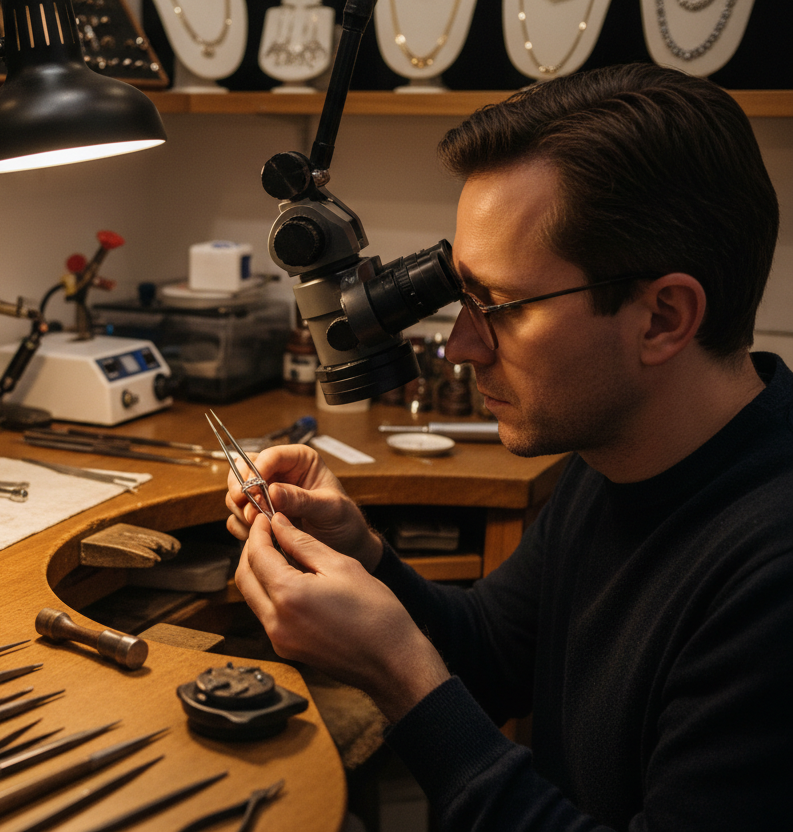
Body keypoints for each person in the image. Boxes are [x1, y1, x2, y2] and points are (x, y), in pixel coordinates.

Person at [225, 63, 791, 830]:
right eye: (464, 297)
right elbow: (492, 651)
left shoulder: (770, 580)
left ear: (662, 318)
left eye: (499, 307)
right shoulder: (622, 456)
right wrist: (364, 558)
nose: (460, 346)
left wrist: (399, 676)